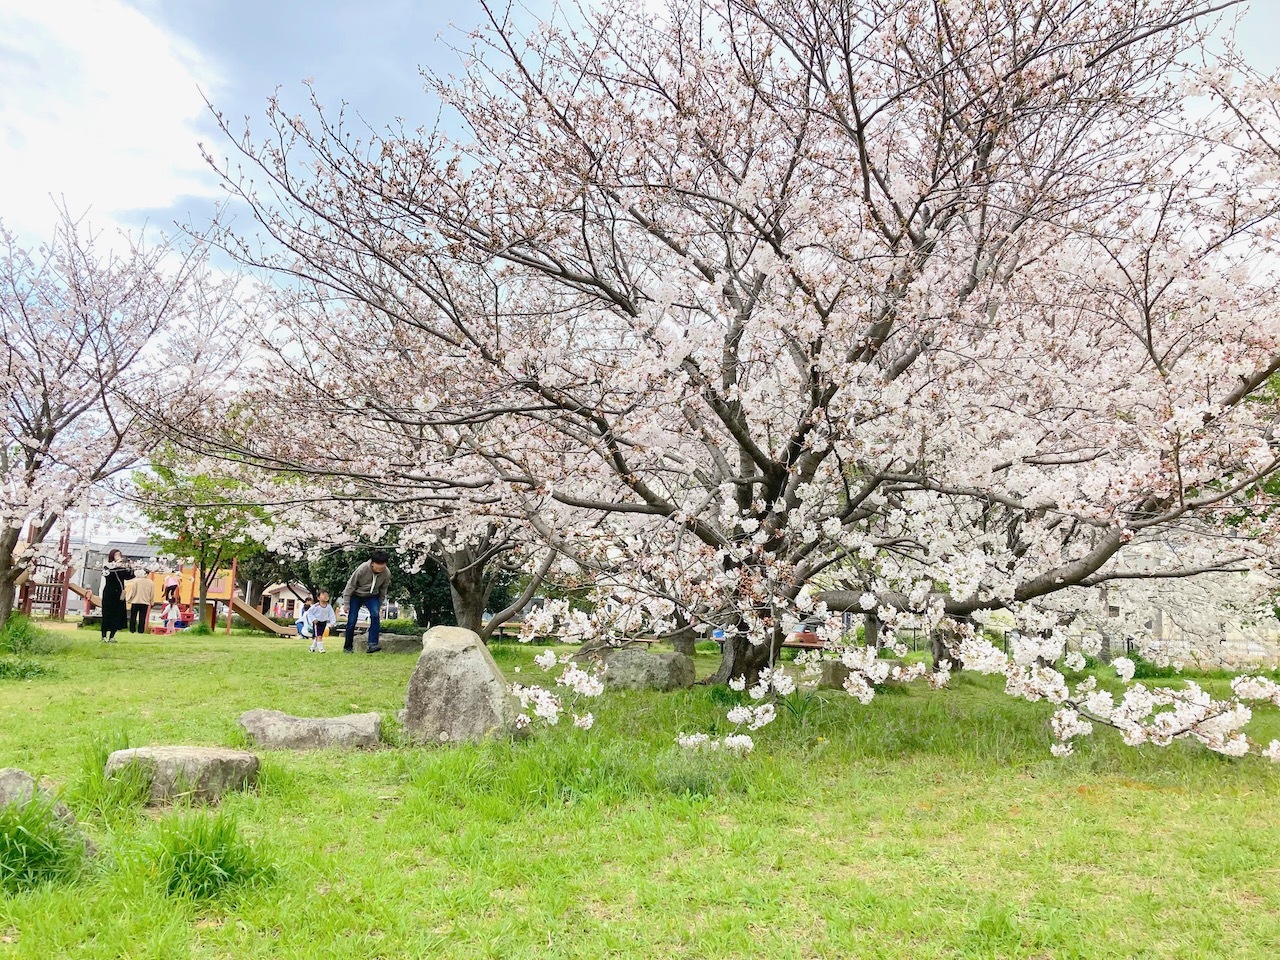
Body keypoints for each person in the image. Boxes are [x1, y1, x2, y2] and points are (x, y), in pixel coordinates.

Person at [342, 549, 391, 654]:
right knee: (352, 620)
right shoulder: (362, 569)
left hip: (372, 595)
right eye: (378, 568)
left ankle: (372, 644)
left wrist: (379, 605)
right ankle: (348, 647)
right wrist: (346, 603)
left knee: (375, 615)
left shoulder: (386, 573)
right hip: (357, 594)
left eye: (382, 568)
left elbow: (383, 590)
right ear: (372, 563)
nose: (380, 570)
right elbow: (350, 585)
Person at [100, 549, 134, 643]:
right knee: (107, 614)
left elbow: (129, 576)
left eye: (119, 555)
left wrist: (131, 568)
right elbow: (106, 575)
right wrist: (115, 565)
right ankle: (103, 636)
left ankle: (112, 636)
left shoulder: (122, 567)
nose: (118, 557)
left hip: (119, 593)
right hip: (109, 593)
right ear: (112, 556)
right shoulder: (108, 566)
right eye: (116, 555)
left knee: (117, 614)